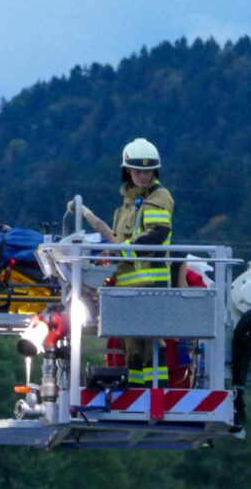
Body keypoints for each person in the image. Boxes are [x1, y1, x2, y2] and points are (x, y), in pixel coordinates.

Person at [76, 138, 175, 387]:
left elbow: (157, 234)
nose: (143, 176)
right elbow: (119, 240)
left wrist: (120, 252)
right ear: (128, 171)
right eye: (138, 171)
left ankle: (156, 394)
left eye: (148, 171)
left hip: (151, 283)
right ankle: (136, 390)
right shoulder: (127, 204)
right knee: (130, 343)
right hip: (126, 285)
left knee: (152, 340)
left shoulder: (159, 196)